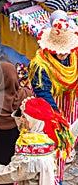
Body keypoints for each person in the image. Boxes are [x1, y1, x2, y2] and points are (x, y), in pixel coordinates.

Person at [0, 97, 74, 185]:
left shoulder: (31, 151)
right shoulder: (46, 137)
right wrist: (26, 106)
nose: (20, 119)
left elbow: (9, 173)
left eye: (24, 117)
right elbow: (20, 123)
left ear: (34, 121)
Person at [28, 16, 78, 175]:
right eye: (59, 52)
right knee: (57, 137)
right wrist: (57, 117)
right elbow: (43, 93)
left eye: (65, 52)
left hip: (70, 101)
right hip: (51, 105)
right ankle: (55, 170)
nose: (63, 55)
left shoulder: (74, 56)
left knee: (71, 132)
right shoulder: (40, 65)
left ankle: (69, 148)